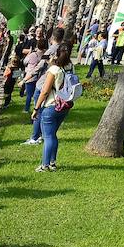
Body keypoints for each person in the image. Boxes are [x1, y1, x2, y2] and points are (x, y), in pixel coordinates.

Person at [31, 42, 75, 172]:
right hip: (64, 105)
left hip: (51, 105)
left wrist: (36, 108)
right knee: (53, 134)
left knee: (48, 137)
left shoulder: (54, 70)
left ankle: (45, 165)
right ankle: (52, 162)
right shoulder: (70, 67)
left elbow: (45, 91)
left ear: (56, 54)